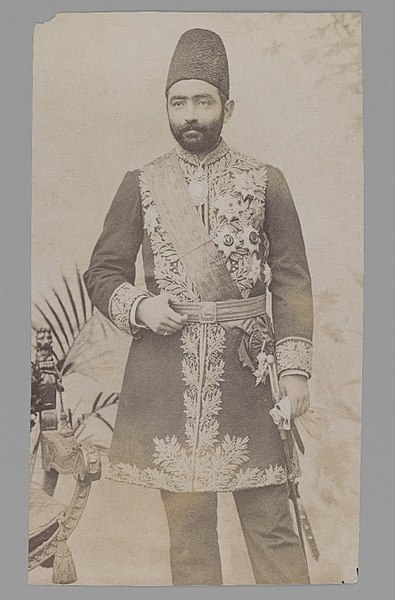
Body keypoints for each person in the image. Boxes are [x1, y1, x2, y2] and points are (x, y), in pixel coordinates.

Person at [84, 28, 314, 585]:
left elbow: (291, 281)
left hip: (249, 376)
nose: (190, 113)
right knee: (188, 540)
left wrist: (295, 370)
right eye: (178, 101)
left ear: (227, 107)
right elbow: (104, 272)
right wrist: (140, 307)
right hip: (168, 379)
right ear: (167, 107)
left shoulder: (266, 183)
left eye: (203, 101)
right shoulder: (140, 183)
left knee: (271, 529)